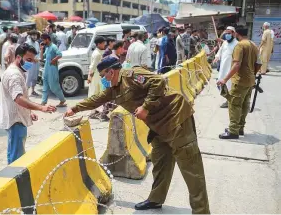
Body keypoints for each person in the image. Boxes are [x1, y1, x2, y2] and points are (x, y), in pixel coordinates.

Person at [64, 56, 210, 214]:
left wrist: (145, 107)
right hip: (158, 126)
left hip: (176, 119)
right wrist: (75, 109)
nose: (103, 80)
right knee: (161, 163)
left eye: (103, 76)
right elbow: (96, 99)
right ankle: (156, 199)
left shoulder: (130, 75)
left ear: (111, 72)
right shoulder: (115, 89)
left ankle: (201, 211)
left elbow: (158, 81)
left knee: (191, 168)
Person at [0, 43, 57, 164]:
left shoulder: (18, 71)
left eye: (32, 60)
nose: (31, 63)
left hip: (18, 117)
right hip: (16, 121)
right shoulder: (14, 75)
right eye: (28, 60)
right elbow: (18, 98)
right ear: (19, 57)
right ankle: (14, 181)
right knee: (16, 159)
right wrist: (41, 108)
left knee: (15, 154)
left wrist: (29, 112)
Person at [217, 26, 262, 139]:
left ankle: (233, 131)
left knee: (234, 104)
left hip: (240, 80)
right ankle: (240, 127)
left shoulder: (240, 45)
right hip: (250, 81)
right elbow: (259, 63)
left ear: (237, 34)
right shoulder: (253, 45)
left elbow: (236, 64)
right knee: (244, 105)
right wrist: (252, 74)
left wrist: (225, 79)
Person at [214, 26, 238, 108]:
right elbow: (220, 51)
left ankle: (230, 101)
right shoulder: (225, 43)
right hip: (223, 67)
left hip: (231, 69)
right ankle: (228, 99)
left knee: (230, 85)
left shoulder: (237, 44)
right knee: (221, 84)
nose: (227, 35)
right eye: (226, 33)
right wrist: (217, 57)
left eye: (229, 33)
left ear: (233, 34)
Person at [40, 34, 66, 107]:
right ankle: (43, 102)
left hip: (52, 69)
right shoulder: (47, 48)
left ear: (47, 39)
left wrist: (54, 60)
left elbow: (60, 54)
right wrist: (41, 49)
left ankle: (62, 100)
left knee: (54, 86)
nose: (43, 41)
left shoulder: (53, 46)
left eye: (43, 40)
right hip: (46, 69)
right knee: (45, 86)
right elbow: (42, 58)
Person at [88, 36, 107, 119]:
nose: (104, 44)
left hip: (100, 75)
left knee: (99, 93)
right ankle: (93, 112)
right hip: (96, 76)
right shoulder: (97, 54)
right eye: (103, 43)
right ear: (98, 44)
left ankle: (97, 111)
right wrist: (90, 76)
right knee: (96, 93)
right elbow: (92, 67)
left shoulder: (100, 52)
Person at [25, 30, 41, 96]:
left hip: (36, 62)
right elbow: (25, 53)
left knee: (35, 76)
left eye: (36, 35)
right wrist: (32, 59)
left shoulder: (37, 43)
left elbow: (38, 52)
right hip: (29, 62)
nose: (35, 37)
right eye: (33, 35)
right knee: (28, 76)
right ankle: (26, 92)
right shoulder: (27, 43)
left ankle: (33, 91)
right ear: (30, 36)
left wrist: (38, 59)